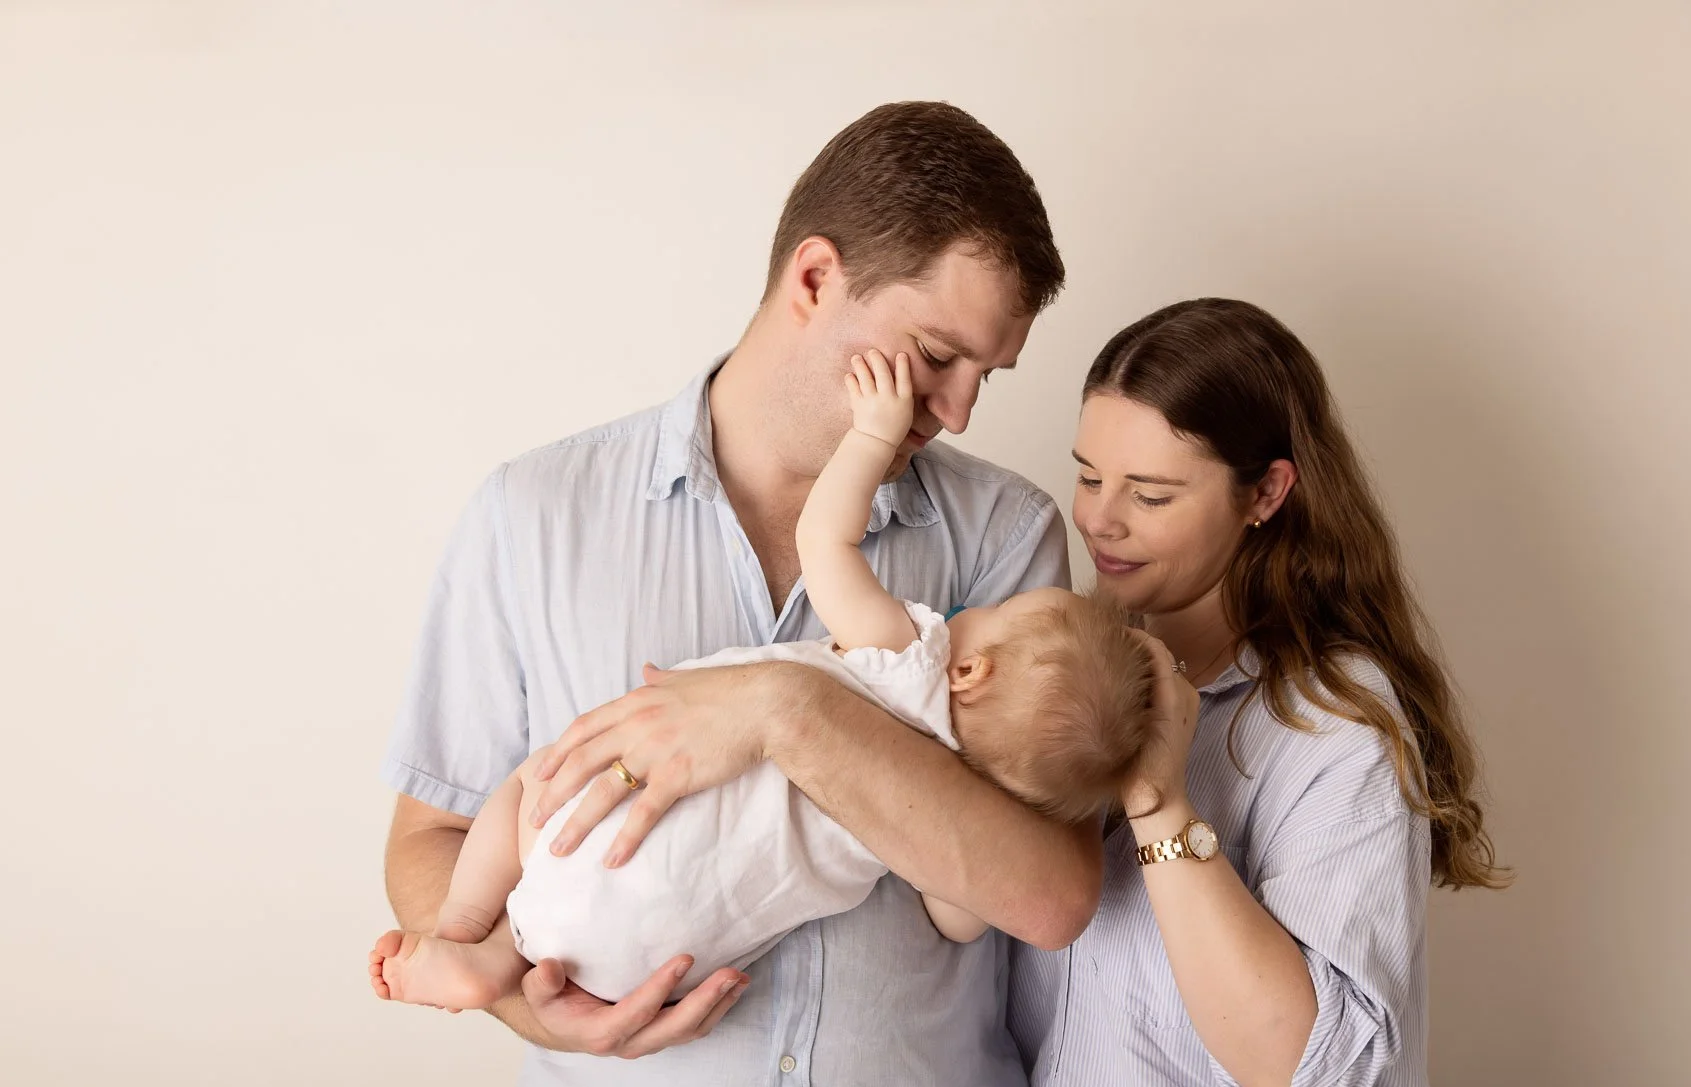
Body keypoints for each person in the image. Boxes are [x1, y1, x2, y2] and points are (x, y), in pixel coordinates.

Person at [380, 101, 1103, 1087]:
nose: (956, 410)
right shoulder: (532, 515)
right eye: (938, 355)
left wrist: (789, 710)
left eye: (985, 375)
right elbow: (428, 839)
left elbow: (1047, 896)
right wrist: (536, 1002)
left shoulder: (1007, 541)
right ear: (816, 278)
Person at [369, 349, 1152, 1009]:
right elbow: (962, 915)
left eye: (1002, 613)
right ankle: (500, 957)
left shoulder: (908, 654)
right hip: (661, 961)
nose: (958, 405)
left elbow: (827, 538)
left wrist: (873, 436)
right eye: (940, 353)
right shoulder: (956, 792)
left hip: (607, 843)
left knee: (527, 784)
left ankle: (472, 935)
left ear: (971, 668)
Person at [1004, 297, 1510, 1087]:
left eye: (1151, 494)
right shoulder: (1060, 680)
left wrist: (1162, 802)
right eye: (1088, 476)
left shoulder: (1336, 722)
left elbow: (1299, 1063)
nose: (1100, 521)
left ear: (1267, 494)